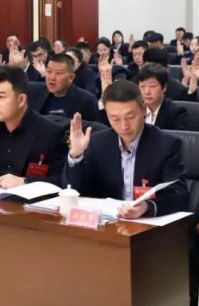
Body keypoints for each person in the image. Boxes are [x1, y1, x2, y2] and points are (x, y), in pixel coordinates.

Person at [64, 80, 188, 218]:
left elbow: (179, 194)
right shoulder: (98, 142)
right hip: (109, 221)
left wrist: (147, 207)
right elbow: (76, 189)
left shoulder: (166, 144)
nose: (124, 126)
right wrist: (76, 155)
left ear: (144, 109)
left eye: (130, 117)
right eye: (115, 119)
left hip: (147, 222)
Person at [0, 65, 67, 188]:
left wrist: (24, 181)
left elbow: (61, 181)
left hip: (27, 199)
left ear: (21, 100)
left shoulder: (50, 133)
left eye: (1, 97)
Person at [26, 53, 99, 121]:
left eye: (58, 73)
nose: (52, 77)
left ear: (71, 77)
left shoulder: (86, 100)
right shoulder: (34, 91)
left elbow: (94, 128)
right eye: (49, 71)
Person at [136, 64, 188, 130]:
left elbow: (178, 135)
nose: (146, 92)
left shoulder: (176, 112)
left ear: (164, 87)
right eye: (142, 86)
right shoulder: (135, 110)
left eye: (152, 86)